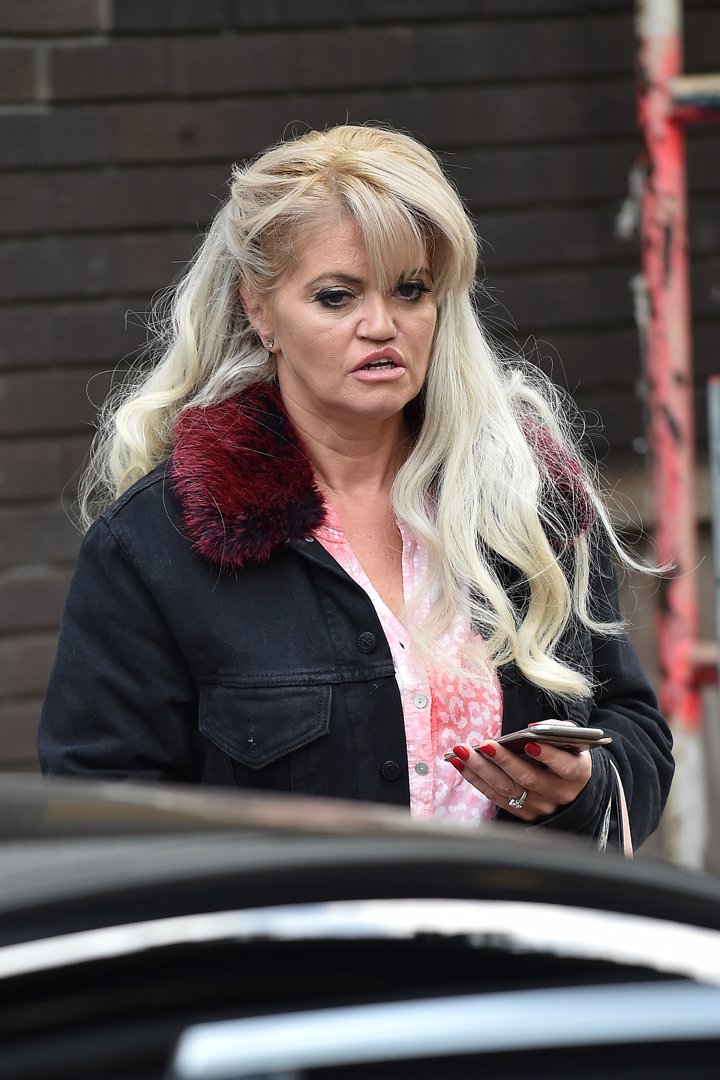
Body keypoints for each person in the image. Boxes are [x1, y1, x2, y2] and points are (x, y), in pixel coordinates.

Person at [38, 123, 673, 850]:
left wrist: (579, 794)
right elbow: (105, 812)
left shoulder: (521, 499)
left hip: (512, 923)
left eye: (411, 290)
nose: (381, 325)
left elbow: (634, 730)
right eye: (337, 297)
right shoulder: (156, 544)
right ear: (258, 308)